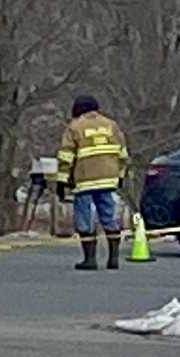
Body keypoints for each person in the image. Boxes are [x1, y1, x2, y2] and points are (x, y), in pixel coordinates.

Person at [56, 95, 128, 270]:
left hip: (85, 180)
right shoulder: (111, 125)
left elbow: (66, 157)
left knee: (85, 220)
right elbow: (123, 154)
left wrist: (61, 181)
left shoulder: (75, 127)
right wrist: (120, 176)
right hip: (109, 179)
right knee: (109, 217)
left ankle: (90, 259)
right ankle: (113, 258)